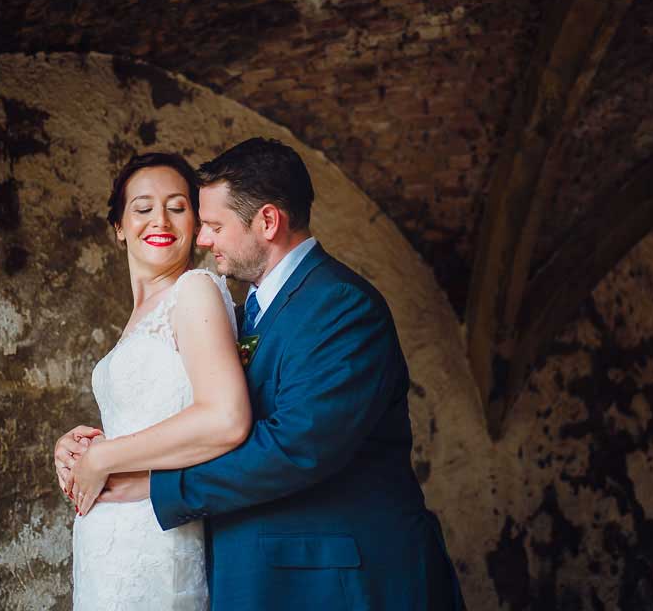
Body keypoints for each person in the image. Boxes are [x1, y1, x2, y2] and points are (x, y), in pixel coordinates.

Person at [57, 137, 463, 610]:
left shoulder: (340, 305)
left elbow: (297, 446)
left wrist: (154, 484)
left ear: (267, 221)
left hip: (338, 581)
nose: (203, 240)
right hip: (252, 571)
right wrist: (92, 449)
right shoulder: (249, 308)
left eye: (212, 225)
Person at [59, 152, 251, 611]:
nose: (159, 219)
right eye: (142, 208)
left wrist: (105, 455)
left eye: (177, 206)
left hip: (158, 536)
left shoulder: (194, 290)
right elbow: (149, 420)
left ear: (197, 224)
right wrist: (78, 448)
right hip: (109, 546)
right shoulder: (138, 320)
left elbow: (224, 418)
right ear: (119, 227)